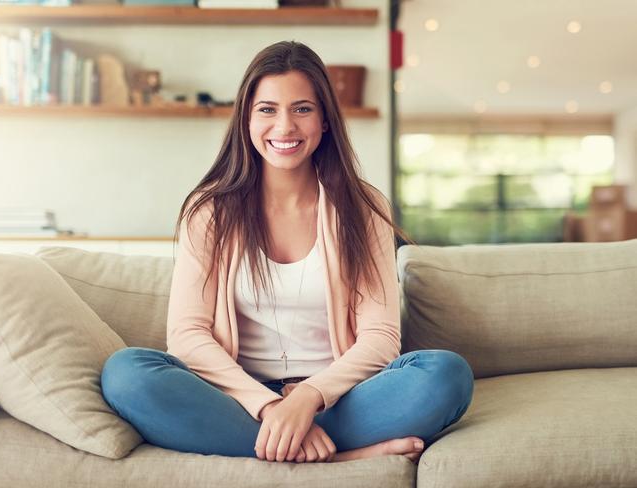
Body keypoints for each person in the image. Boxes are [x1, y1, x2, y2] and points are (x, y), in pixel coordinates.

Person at [100, 40, 474, 464]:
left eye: (302, 109)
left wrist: (309, 398)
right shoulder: (208, 212)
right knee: (127, 374)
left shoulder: (363, 208)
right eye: (267, 109)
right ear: (245, 118)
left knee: (445, 375)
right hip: (239, 401)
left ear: (325, 120)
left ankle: (281, 444)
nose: (284, 127)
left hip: (339, 400)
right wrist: (270, 405)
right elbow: (188, 336)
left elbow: (380, 338)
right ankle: (336, 454)